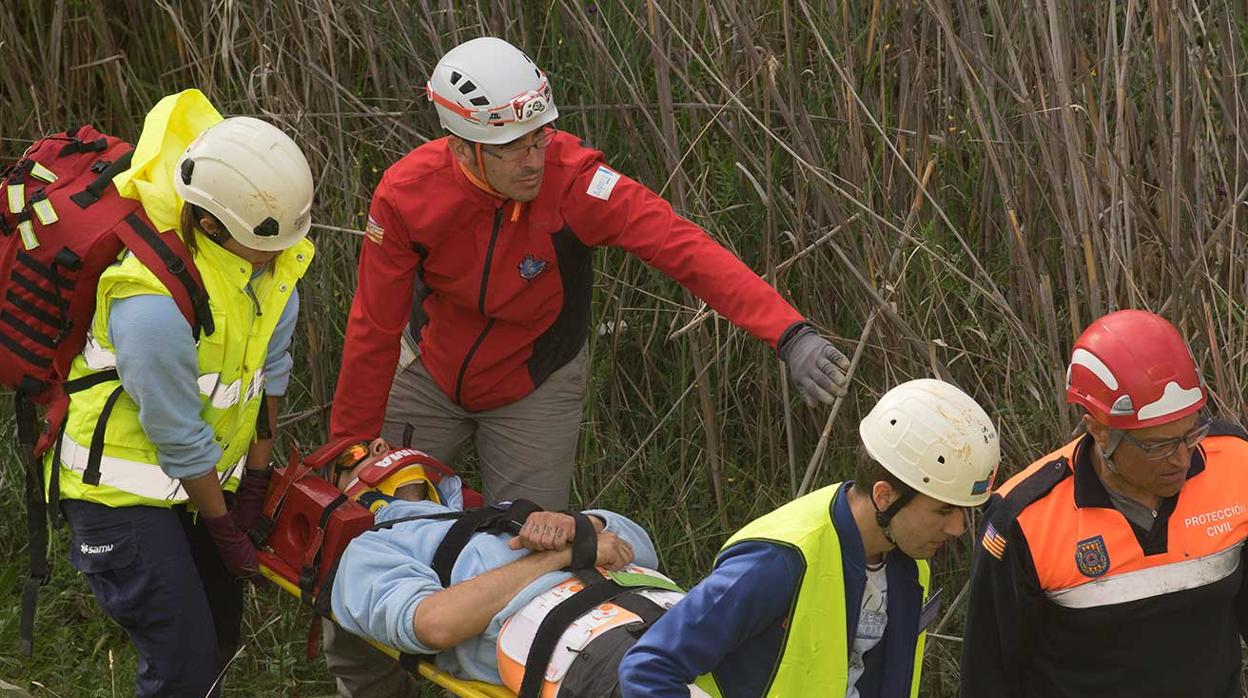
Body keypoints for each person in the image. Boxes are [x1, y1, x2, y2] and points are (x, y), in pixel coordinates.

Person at [329, 35, 852, 512]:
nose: (534, 159)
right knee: (370, 515)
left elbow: (682, 246)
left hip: (535, 383)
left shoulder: (577, 183)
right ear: (462, 147)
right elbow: (374, 325)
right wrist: (351, 444)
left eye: (541, 136)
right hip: (429, 370)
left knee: (530, 553)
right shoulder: (406, 195)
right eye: (513, 148)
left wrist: (789, 333)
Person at [46, 89, 315, 697]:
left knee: (219, 640)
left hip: (199, 486)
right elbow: (178, 435)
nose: (282, 257)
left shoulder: (273, 266)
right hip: (118, 493)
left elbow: (271, 373)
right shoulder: (150, 306)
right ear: (214, 222)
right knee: (183, 666)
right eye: (267, 241)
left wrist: (255, 481)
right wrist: (224, 528)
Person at [618, 378, 1000, 697]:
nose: (956, 529)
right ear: (885, 496)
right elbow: (648, 669)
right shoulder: (779, 561)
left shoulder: (909, 561)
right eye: (943, 511)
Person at [959, 309, 1248, 698]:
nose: (1182, 457)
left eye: (1190, 432)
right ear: (1097, 428)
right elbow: (988, 679)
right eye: (1157, 445)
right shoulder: (1026, 520)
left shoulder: (1235, 467)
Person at [319, 441, 706, 697]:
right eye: (351, 455)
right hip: (588, 645)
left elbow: (643, 551)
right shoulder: (369, 549)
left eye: (376, 442)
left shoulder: (491, 512)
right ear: (337, 495)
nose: (379, 446)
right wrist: (561, 556)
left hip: (674, 607)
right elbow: (433, 624)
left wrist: (584, 525)